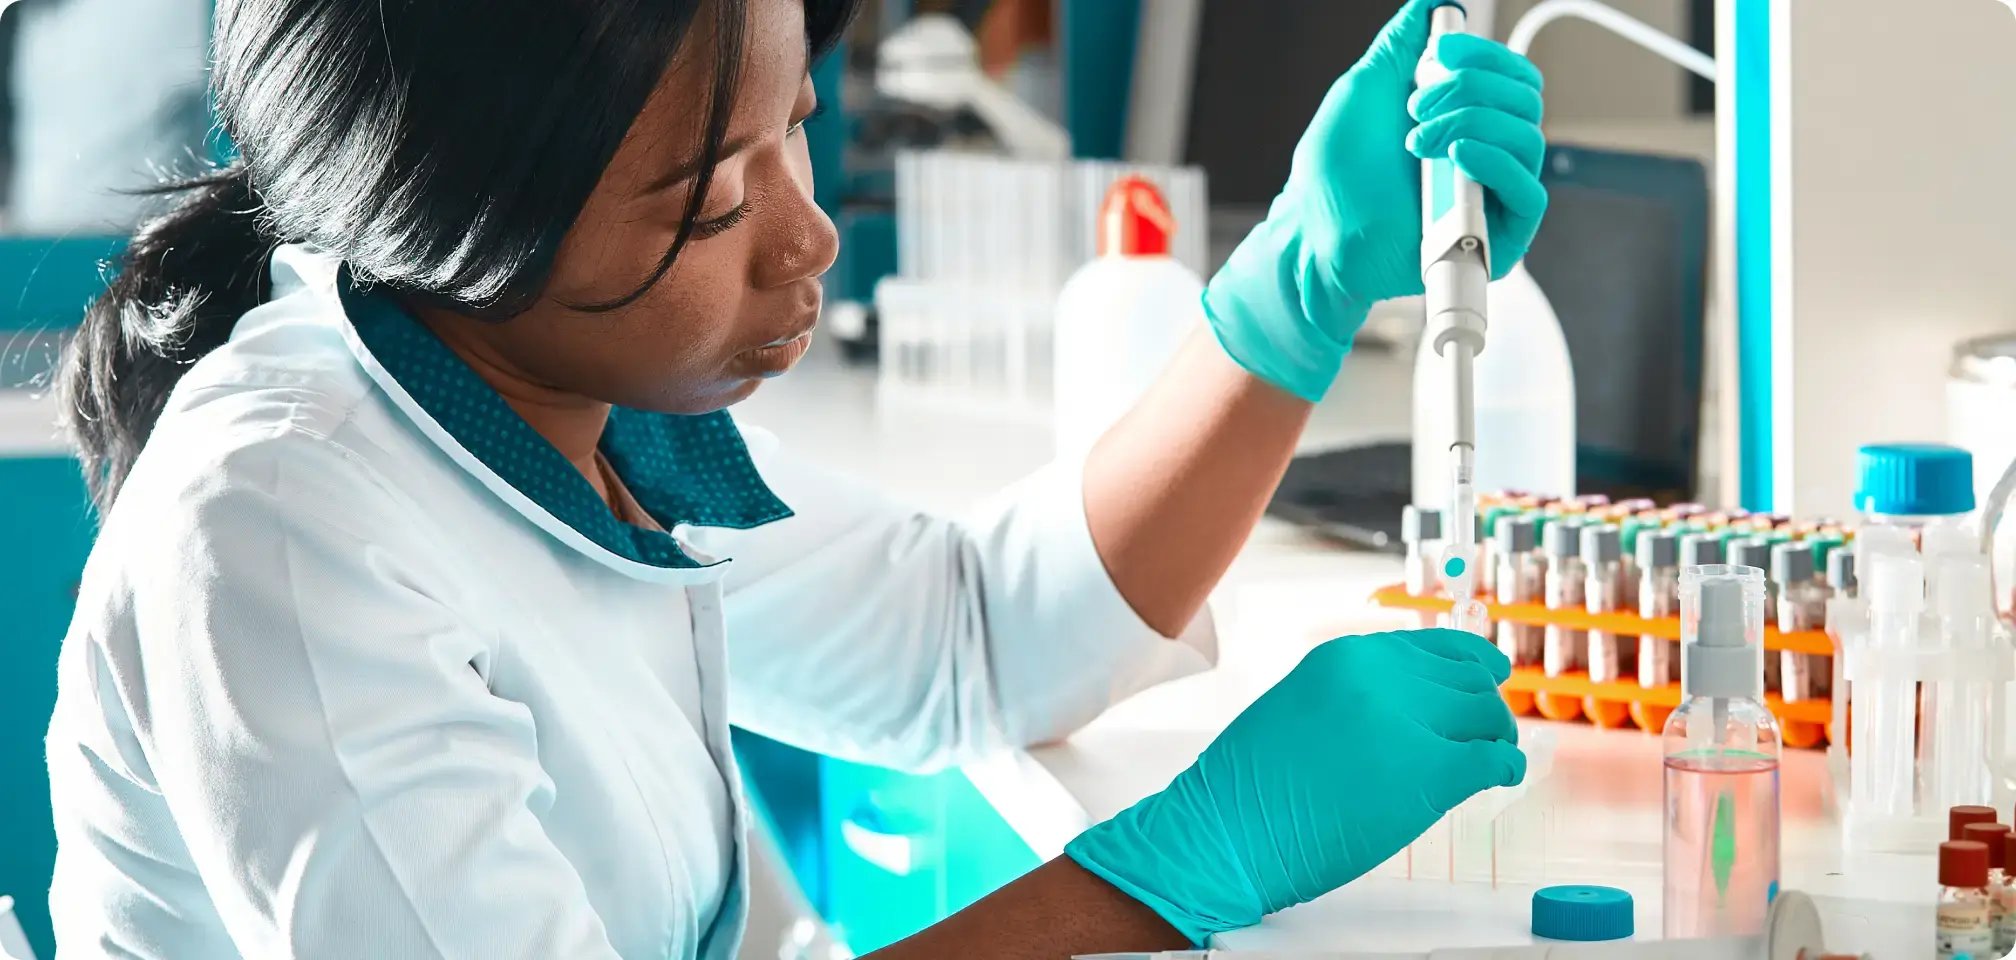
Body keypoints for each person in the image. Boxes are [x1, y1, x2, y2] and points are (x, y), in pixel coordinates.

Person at [43, 0, 1548, 956]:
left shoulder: (574, 399)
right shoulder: (285, 527)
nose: (807, 237)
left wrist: (1296, 282)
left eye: (795, 134)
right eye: (711, 202)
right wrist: (1169, 874)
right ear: (468, 233)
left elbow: (969, 639)